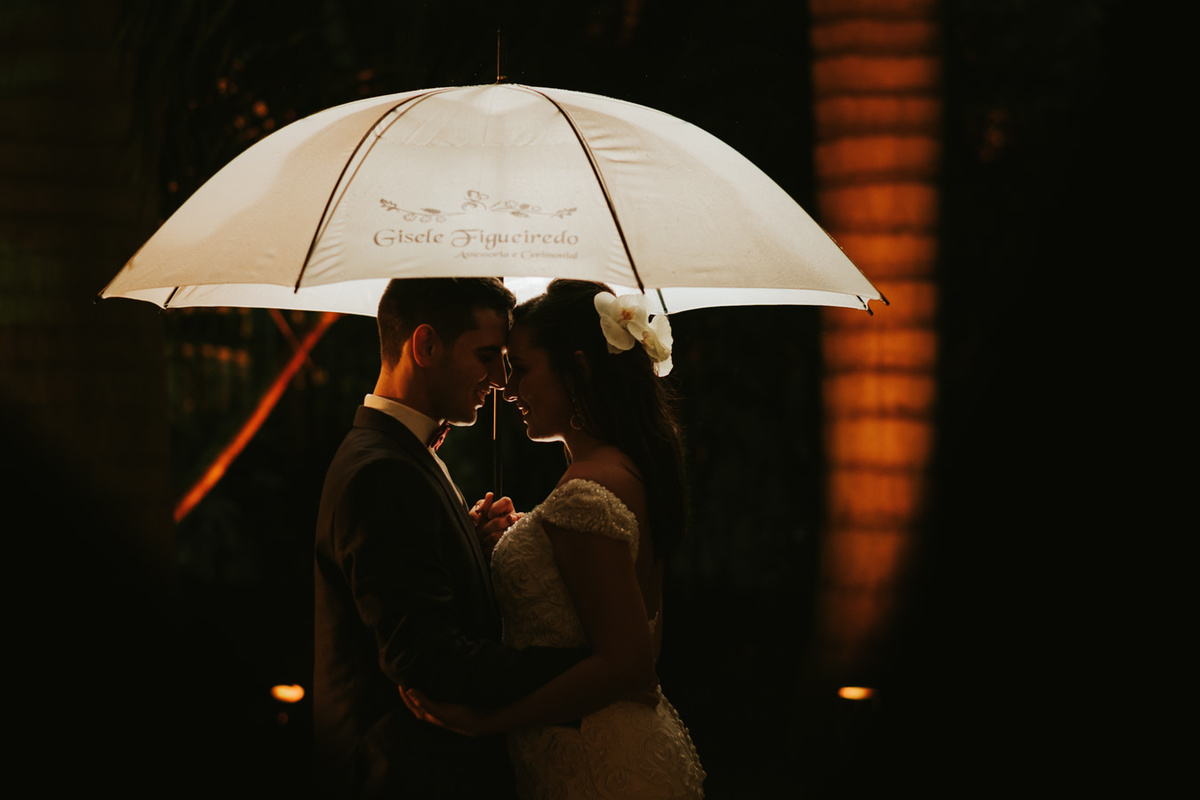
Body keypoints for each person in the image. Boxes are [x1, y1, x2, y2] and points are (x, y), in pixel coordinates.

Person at [403, 279, 706, 800]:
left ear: (579, 369)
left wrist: (487, 720)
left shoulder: (586, 492)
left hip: (593, 767)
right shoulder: (631, 469)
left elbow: (630, 663)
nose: (507, 388)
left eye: (520, 369)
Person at [313, 277, 586, 799]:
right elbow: (429, 661)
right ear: (426, 345)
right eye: (487, 355)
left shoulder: (400, 454)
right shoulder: (381, 472)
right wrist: (590, 669)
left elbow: (416, 586)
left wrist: (472, 551)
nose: (501, 379)